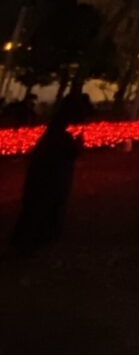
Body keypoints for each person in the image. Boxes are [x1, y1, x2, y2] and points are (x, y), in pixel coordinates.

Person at [10, 101, 83, 252]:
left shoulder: (52, 134)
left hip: (43, 177)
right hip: (51, 179)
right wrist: (78, 145)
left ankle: (27, 240)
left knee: (35, 209)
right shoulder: (61, 137)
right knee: (42, 209)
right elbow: (70, 153)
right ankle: (32, 241)